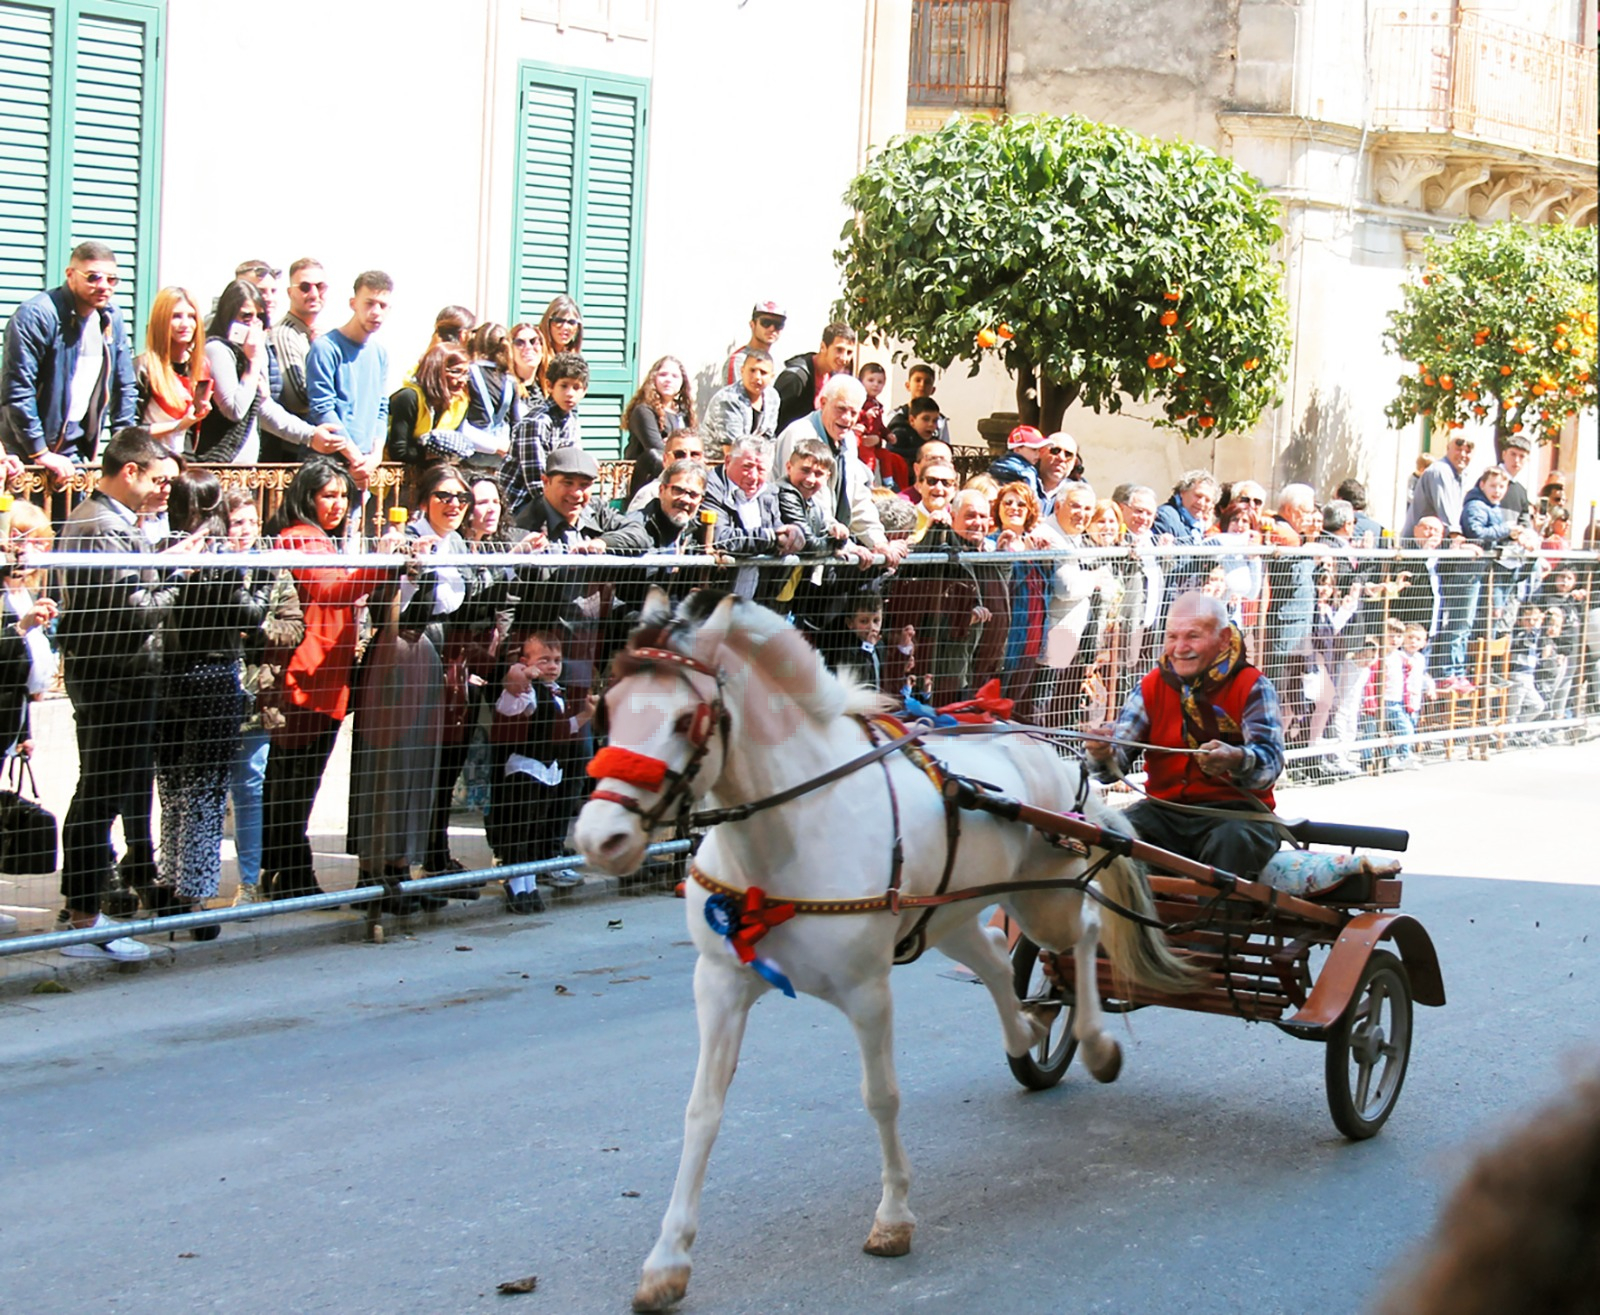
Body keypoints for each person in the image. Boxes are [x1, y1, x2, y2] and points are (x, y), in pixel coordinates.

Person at [54, 428, 185, 958]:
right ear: (130, 471)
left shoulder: (106, 522)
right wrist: (179, 575)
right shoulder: (103, 525)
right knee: (99, 796)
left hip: (117, 675)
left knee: (102, 793)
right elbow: (131, 608)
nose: (162, 490)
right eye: (158, 479)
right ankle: (84, 916)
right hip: (115, 679)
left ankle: (84, 912)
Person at [259, 458, 398, 900]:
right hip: (306, 679)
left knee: (296, 785)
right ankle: (290, 875)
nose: (337, 504)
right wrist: (383, 563)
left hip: (325, 679)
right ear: (307, 497)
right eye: (328, 495)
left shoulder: (318, 539)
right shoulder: (299, 537)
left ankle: (287, 874)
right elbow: (329, 590)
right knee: (293, 786)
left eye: (342, 495)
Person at [1083, 592, 1285, 877]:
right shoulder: (1151, 686)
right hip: (1163, 813)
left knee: (1231, 842)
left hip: (1237, 815)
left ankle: (1216, 923)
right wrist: (1101, 752)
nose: (1179, 648)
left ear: (1224, 638)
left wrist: (1237, 759)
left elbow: (1271, 763)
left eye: (1193, 636)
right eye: (1172, 637)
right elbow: (1111, 768)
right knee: (1111, 833)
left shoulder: (1252, 686)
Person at [154, 470, 271, 934]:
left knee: (174, 789)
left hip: (170, 674)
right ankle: (194, 894)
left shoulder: (167, 547)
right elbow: (250, 612)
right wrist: (248, 577)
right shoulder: (214, 554)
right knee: (203, 789)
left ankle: (171, 884)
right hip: (214, 672)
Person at [1, 240, 138, 478]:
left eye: (111, 279)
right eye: (93, 277)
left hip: (77, 448)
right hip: (24, 451)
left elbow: (125, 386)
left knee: (74, 514)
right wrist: (40, 452)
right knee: (27, 516)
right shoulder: (37, 315)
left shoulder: (111, 318)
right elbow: (18, 389)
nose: (103, 286)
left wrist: (122, 449)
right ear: (70, 274)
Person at [489, 631, 595, 911]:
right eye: (544, 660)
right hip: (525, 769)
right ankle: (515, 881)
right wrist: (522, 677)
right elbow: (508, 709)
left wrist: (585, 715)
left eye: (557, 660)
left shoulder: (556, 694)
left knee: (536, 827)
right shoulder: (527, 692)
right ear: (526, 661)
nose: (552, 666)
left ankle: (530, 882)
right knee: (519, 829)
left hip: (548, 770)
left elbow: (561, 730)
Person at [775, 374, 908, 567]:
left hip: (830, 549)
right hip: (795, 550)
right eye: (841, 409)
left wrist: (878, 542)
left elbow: (857, 496)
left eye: (853, 413)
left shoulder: (849, 439)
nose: (846, 418)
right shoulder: (800, 434)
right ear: (823, 403)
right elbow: (811, 500)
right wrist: (847, 544)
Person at [197, 280, 330, 463]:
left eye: (258, 317)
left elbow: (264, 408)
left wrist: (310, 435)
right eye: (246, 316)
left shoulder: (254, 351)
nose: (253, 324)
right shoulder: (218, 349)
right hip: (221, 464)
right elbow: (235, 409)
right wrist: (253, 362)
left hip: (248, 469)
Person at [305, 270, 394, 493]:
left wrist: (374, 456)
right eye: (369, 303)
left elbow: (382, 409)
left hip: (363, 464)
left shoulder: (380, 353)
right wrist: (355, 458)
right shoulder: (326, 348)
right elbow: (322, 407)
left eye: (382, 306)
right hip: (330, 461)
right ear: (353, 303)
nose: (376, 312)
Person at [501, 351, 586, 519]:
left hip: (556, 499)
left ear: (584, 391)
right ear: (549, 385)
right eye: (564, 386)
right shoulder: (537, 421)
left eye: (576, 387)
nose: (570, 393)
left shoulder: (571, 421)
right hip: (518, 504)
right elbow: (536, 482)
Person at [134, 286, 212, 452]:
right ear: (161, 321)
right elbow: (129, 432)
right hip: (152, 461)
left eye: (191, 316)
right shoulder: (144, 366)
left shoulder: (200, 365)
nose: (185, 324)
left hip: (188, 462)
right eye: (176, 316)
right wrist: (178, 425)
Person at [266, 257, 330, 440]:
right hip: (297, 442)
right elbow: (299, 400)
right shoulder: (284, 334)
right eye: (304, 287)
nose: (314, 293)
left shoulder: (314, 334)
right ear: (290, 293)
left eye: (320, 286)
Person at [622, 355, 696, 503]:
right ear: (653, 378)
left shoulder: (683, 413)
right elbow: (657, 448)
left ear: (682, 383)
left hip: (681, 475)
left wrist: (671, 443)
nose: (668, 379)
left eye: (675, 376)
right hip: (648, 478)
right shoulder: (643, 410)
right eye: (663, 374)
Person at [460, 322, 523, 471]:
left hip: (471, 455)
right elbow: (517, 423)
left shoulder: (467, 374)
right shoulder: (511, 381)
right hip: (499, 461)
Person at [774, 321, 856, 432]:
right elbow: (772, 418)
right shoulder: (796, 378)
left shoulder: (834, 380)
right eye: (839, 350)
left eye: (849, 352)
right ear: (823, 347)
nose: (844, 358)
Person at [700, 349, 779, 450]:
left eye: (763, 373)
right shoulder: (728, 399)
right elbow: (732, 449)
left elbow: (769, 439)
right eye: (752, 370)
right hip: (716, 461)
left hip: (753, 458)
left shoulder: (772, 397)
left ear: (772, 376)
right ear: (742, 371)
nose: (757, 377)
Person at [1382, 623, 1435, 771]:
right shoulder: (1398, 656)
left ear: (1424, 643)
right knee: (1404, 728)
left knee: (1410, 726)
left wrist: (1431, 686)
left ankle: (1400, 754)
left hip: (1414, 700)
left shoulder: (1420, 658)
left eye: (1418, 639)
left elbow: (1423, 676)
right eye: (1410, 637)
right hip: (1398, 699)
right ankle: (1403, 756)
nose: (1413, 642)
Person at [626, 429, 704, 513]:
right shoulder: (649, 494)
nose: (687, 460)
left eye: (695, 455)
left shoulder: (712, 491)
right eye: (679, 454)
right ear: (665, 460)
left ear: (703, 459)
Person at [884, 364, 951, 445]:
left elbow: (944, 446)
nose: (922, 385)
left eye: (927, 382)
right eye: (918, 380)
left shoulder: (940, 420)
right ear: (908, 386)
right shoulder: (895, 415)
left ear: (933, 390)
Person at [724, 299, 785, 385]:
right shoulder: (738, 361)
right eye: (766, 322)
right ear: (752, 325)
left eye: (778, 324)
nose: (772, 328)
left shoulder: (778, 364)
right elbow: (733, 397)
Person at [1153, 470, 1217, 544]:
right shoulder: (1165, 517)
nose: (1201, 503)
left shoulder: (1200, 525)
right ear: (1182, 492)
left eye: (1207, 500)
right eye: (1198, 496)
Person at [535, 296, 583, 393]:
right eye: (559, 321)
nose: (565, 327)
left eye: (571, 322)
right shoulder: (536, 351)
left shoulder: (573, 358)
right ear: (548, 322)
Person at [987, 424, 1047, 496]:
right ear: (1017, 449)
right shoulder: (1027, 472)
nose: (1038, 454)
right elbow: (1033, 499)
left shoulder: (996, 466)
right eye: (1034, 449)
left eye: (1039, 450)